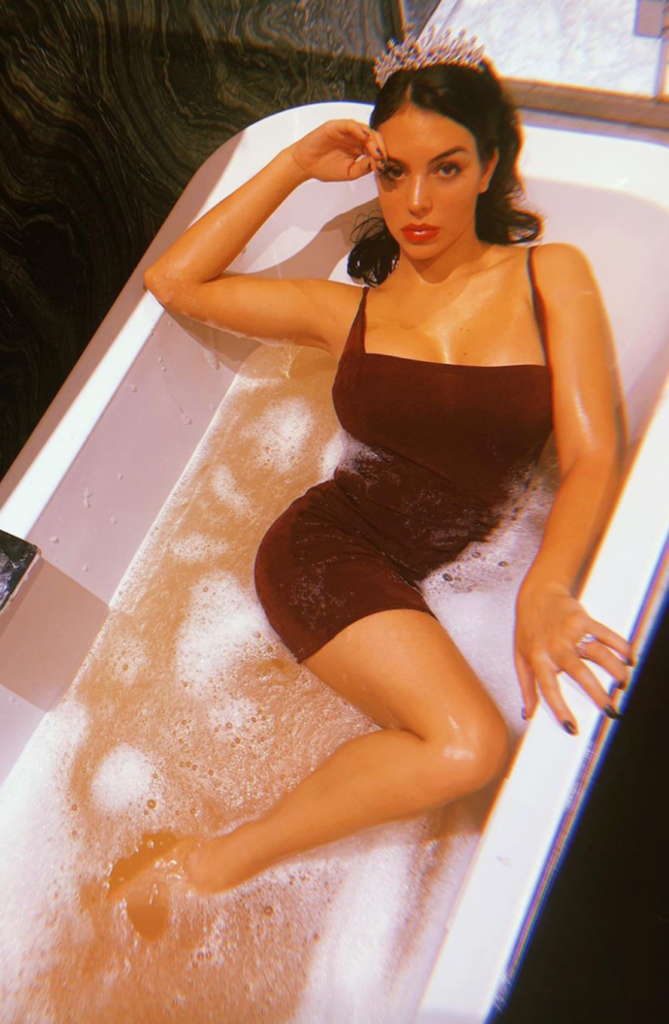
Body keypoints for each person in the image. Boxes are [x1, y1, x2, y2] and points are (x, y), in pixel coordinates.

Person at [124, 29, 633, 912]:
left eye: (446, 168)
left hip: (441, 566)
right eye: (393, 173)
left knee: (463, 743)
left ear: (489, 167)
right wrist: (294, 162)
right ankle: (211, 865)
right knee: (467, 746)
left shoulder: (550, 274)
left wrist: (544, 588)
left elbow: (593, 453)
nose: (416, 200)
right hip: (324, 553)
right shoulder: (345, 314)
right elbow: (176, 281)